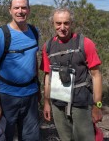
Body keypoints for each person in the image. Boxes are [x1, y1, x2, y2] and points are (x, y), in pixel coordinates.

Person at [40, 8, 103, 141]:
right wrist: (46, 102)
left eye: (66, 23)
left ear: (71, 23)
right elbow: (47, 76)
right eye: (58, 23)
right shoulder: (48, 46)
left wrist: (97, 106)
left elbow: (96, 75)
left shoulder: (85, 43)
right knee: (65, 138)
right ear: (53, 23)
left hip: (80, 101)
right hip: (58, 102)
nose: (62, 27)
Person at [0, 0, 40, 141]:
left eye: (24, 7)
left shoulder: (35, 32)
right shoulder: (1, 35)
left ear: (29, 10)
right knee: (3, 137)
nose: (20, 11)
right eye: (16, 7)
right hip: (6, 96)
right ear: (10, 10)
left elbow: (33, 60)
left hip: (30, 95)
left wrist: (38, 88)